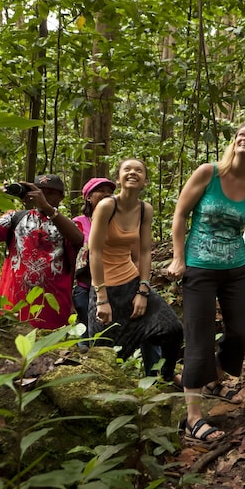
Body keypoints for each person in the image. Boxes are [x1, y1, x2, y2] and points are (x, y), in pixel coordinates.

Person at [167, 121, 245, 443]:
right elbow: (181, 214)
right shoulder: (208, 173)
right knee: (200, 337)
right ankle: (194, 418)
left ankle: (212, 378)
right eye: (241, 134)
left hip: (236, 269)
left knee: (239, 333)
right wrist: (179, 257)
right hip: (199, 267)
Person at [87, 158, 182, 381]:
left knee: (172, 329)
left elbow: (145, 251)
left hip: (131, 282)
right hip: (104, 287)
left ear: (145, 181)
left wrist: (143, 289)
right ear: (118, 178)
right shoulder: (106, 206)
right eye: (127, 169)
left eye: (138, 170)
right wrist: (101, 298)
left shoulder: (144, 209)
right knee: (104, 356)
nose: (132, 173)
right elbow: (95, 252)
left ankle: (165, 377)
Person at [0, 174, 84, 329]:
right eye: (39, 191)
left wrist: (46, 207)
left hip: (53, 311)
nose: (43, 196)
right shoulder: (14, 217)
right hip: (13, 308)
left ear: (61, 197)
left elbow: (78, 239)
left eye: (50, 193)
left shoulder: (68, 225)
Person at [71, 177, 116, 350]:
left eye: (110, 191)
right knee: (86, 335)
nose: (107, 194)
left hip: (114, 285)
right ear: (88, 197)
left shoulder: (118, 222)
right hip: (85, 286)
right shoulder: (79, 223)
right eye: (101, 190)